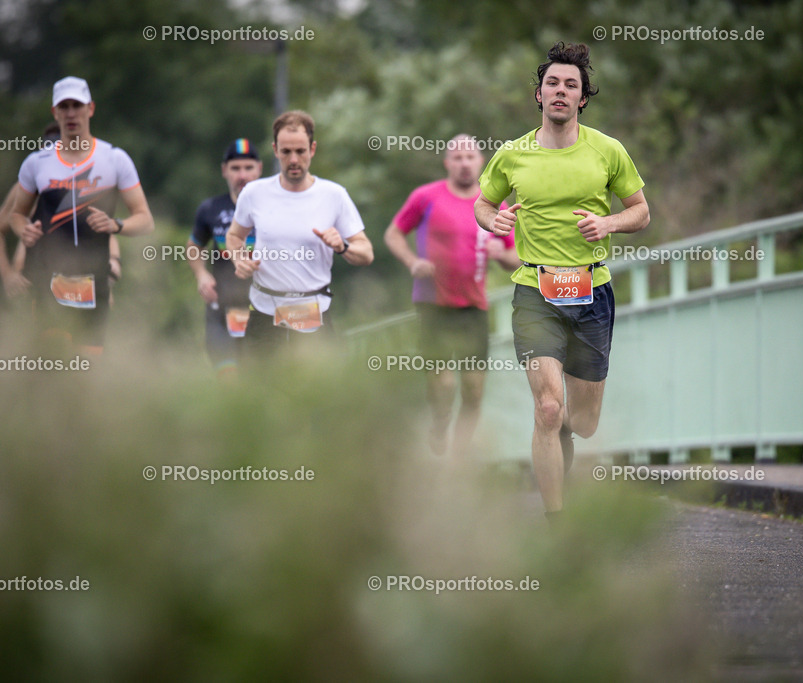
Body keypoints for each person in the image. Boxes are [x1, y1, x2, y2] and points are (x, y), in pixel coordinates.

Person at [474, 42, 650, 520]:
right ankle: (556, 521)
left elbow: (641, 211)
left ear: (582, 99)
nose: (560, 91)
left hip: (591, 291)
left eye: (570, 85)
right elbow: (483, 202)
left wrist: (609, 224)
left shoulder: (607, 150)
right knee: (548, 409)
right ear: (538, 94)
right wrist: (492, 221)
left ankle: (568, 435)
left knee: (584, 423)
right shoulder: (513, 155)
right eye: (552, 83)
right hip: (535, 290)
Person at [384, 134, 519, 460]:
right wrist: (413, 262)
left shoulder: (493, 206)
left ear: (480, 161)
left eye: (469, 157)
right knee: (444, 385)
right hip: (433, 304)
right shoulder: (426, 197)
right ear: (447, 163)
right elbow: (394, 233)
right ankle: (440, 424)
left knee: (473, 390)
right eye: (457, 158)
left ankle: (457, 459)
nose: (463, 163)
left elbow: (517, 259)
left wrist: (501, 252)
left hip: (473, 307)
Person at [9, 76, 153, 354]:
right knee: (57, 367)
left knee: (88, 370)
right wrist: (22, 229)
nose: (71, 113)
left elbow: (145, 219)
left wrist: (116, 224)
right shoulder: (37, 164)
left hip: (93, 282)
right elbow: (16, 215)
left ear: (91, 109)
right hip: (50, 279)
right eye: (64, 106)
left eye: (77, 105)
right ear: (55, 113)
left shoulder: (114, 159)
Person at [225, 110, 373, 356]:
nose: (293, 159)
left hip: (313, 312)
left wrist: (342, 247)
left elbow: (366, 253)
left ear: (312, 149)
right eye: (286, 152)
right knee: (259, 393)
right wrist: (239, 259)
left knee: (315, 393)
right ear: (275, 150)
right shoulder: (253, 193)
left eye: (300, 151)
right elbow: (234, 236)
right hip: (264, 313)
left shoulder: (334, 195)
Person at [0, 123, 122, 304]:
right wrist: (8, 276)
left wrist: (113, 263)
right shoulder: (25, 189)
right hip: (32, 290)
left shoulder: (88, 189)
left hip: (79, 288)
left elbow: (105, 234)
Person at [187, 138, 263, 375]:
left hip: (263, 312)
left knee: (261, 380)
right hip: (222, 312)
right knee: (229, 379)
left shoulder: (273, 207)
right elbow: (193, 246)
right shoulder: (210, 209)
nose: (242, 175)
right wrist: (201, 275)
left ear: (259, 168)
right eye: (235, 168)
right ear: (224, 171)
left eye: (248, 168)